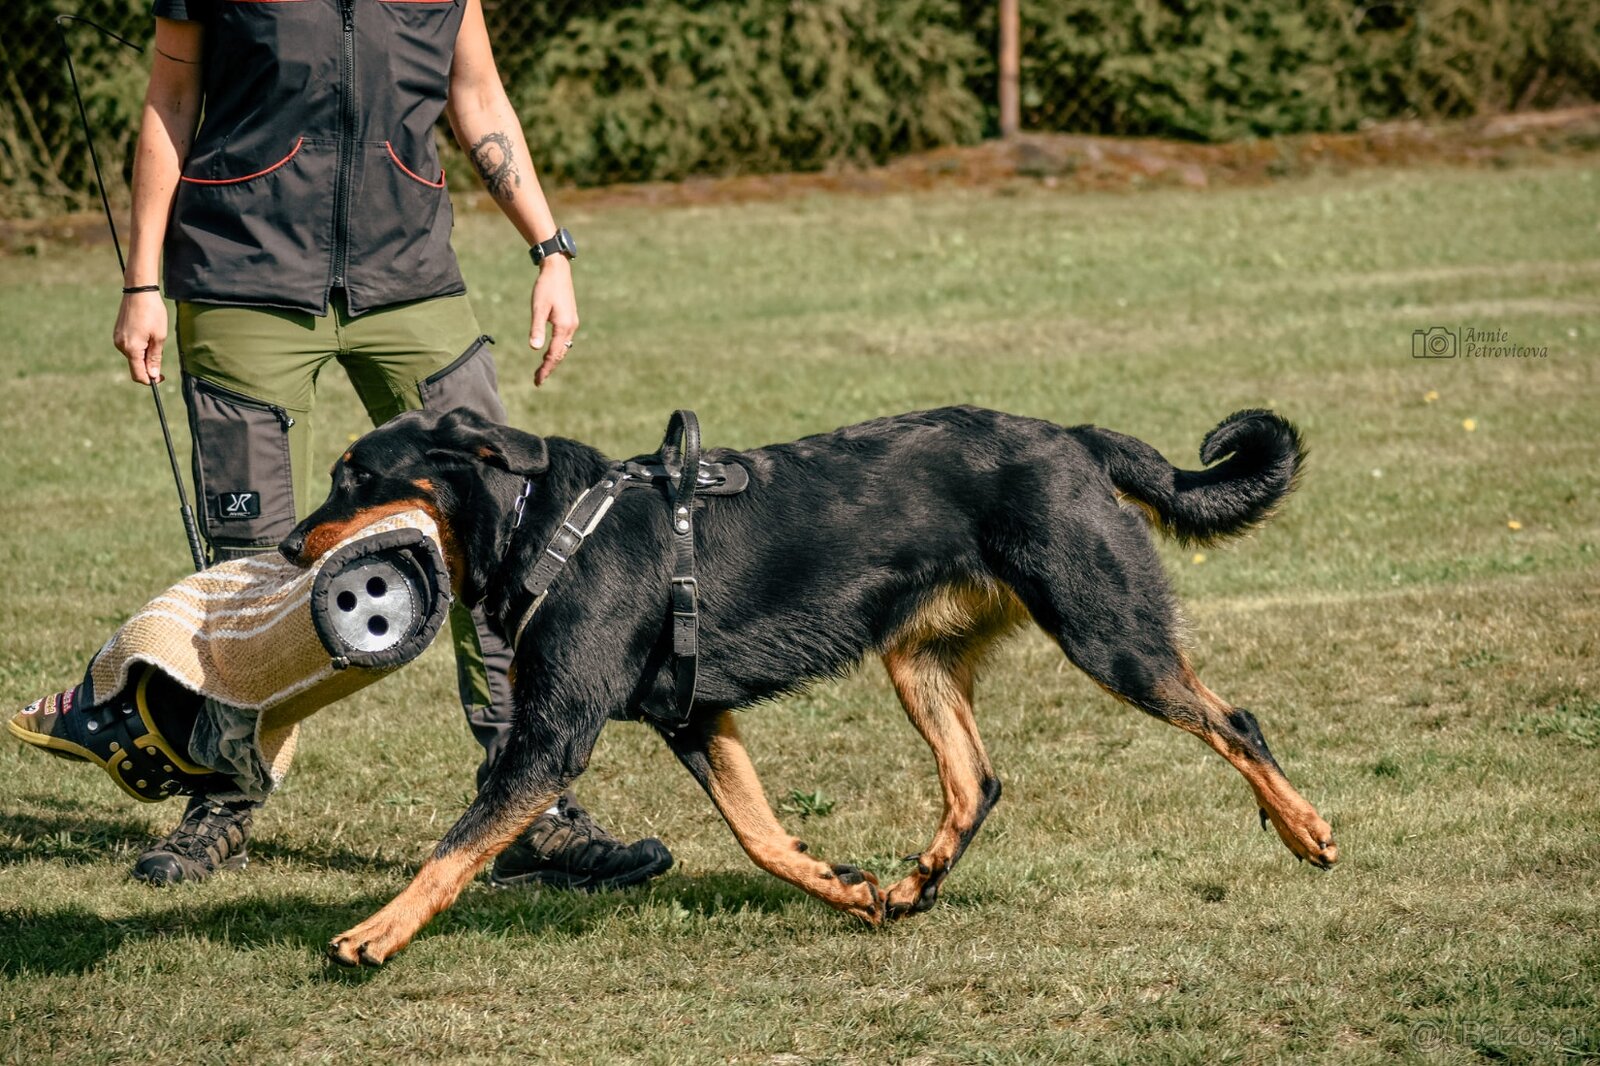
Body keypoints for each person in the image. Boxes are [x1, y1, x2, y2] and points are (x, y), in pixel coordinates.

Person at [109, 0, 671, 890]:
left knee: (505, 535)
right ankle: (222, 797)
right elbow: (169, 102)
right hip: (241, 276)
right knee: (250, 561)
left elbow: (477, 95)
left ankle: (530, 807)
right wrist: (144, 278)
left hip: (410, 283)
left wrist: (549, 248)